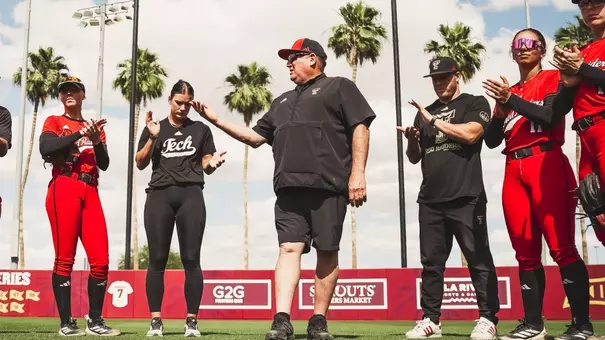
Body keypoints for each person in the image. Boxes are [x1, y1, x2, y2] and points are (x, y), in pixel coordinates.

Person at [194, 38, 375, 340]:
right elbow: (254, 137)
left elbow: (361, 127)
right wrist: (216, 120)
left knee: (327, 251)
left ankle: (318, 321)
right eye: (287, 59)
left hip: (329, 187)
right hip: (289, 189)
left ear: (314, 60)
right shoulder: (281, 101)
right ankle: (282, 321)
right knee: (288, 249)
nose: (288, 63)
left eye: (295, 57)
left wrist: (358, 173)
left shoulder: (340, 87)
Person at [482, 28, 593, 340]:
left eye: (530, 43)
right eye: (517, 44)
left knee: (561, 247)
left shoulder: (552, 79)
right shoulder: (510, 90)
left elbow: (549, 117)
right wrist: (498, 112)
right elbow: (491, 141)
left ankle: (581, 325)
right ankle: (533, 324)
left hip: (546, 162)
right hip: (512, 166)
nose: (523, 48)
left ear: (543, 50)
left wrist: (511, 100)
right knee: (525, 251)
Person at [399, 57, 499, 340]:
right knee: (431, 264)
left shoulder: (474, 103)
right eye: (435, 79)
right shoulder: (424, 113)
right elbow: (415, 158)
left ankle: (488, 318)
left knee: (478, 259)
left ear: (457, 76)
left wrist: (435, 122)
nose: (439, 83)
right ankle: (430, 319)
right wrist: (412, 139)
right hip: (430, 198)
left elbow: (471, 135)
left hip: (467, 195)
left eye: (444, 77)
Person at [135, 79, 226, 337]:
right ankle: (155, 321)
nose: (183, 108)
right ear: (170, 100)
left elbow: (206, 162)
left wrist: (213, 163)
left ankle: (191, 322)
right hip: (159, 196)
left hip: (191, 195)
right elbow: (140, 162)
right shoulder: (155, 127)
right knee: (157, 260)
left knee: (191, 259)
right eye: (179, 103)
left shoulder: (200, 130)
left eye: (187, 104)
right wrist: (152, 138)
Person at [38, 76, 119, 337]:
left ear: (83, 94)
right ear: (61, 98)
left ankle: (95, 321)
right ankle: (66, 322)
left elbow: (104, 163)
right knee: (65, 258)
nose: (68, 93)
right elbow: (46, 147)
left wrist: (94, 138)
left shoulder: (94, 126)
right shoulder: (55, 122)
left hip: (90, 188)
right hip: (65, 185)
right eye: (64, 91)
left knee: (101, 260)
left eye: (73, 89)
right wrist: (79, 134)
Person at [551, 0, 605, 249]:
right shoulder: (580, 52)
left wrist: (582, 69)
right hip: (586, 139)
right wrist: (568, 82)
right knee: (600, 222)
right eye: (584, 4)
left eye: (597, 2)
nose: (590, 8)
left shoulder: (580, 60)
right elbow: (560, 109)